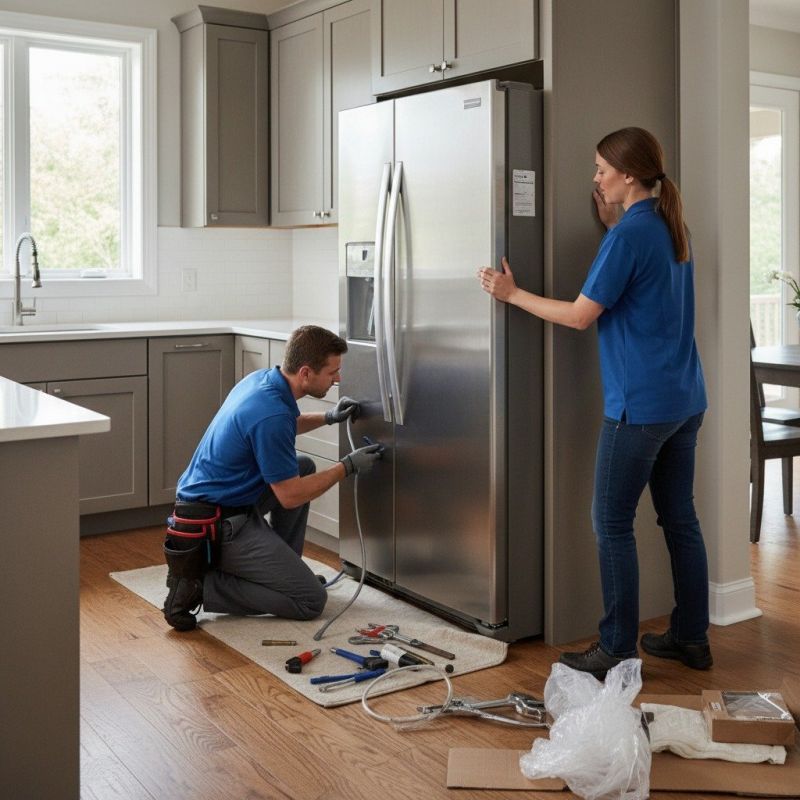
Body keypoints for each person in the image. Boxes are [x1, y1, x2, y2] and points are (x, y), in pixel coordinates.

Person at [477, 127, 712, 680]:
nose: (596, 178)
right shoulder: (668, 225)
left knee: (610, 521)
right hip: (685, 398)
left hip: (640, 407)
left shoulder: (629, 237)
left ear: (629, 175)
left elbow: (582, 315)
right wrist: (610, 220)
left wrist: (511, 295)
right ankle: (691, 637)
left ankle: (616, 648)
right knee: (680, 518)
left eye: (602, 170)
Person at [162, 324, 382, 632]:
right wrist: (346, 466)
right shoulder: (271, 414)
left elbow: (286, 425)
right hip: (216, 525)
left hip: (220, 502)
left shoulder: (263, 381)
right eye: (332, 372)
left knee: (302, 465)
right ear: (305, 372)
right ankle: (202, 585)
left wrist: (329, 417)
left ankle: (283, 571)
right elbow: (289, 496)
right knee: (310, 601)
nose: (338, 379)